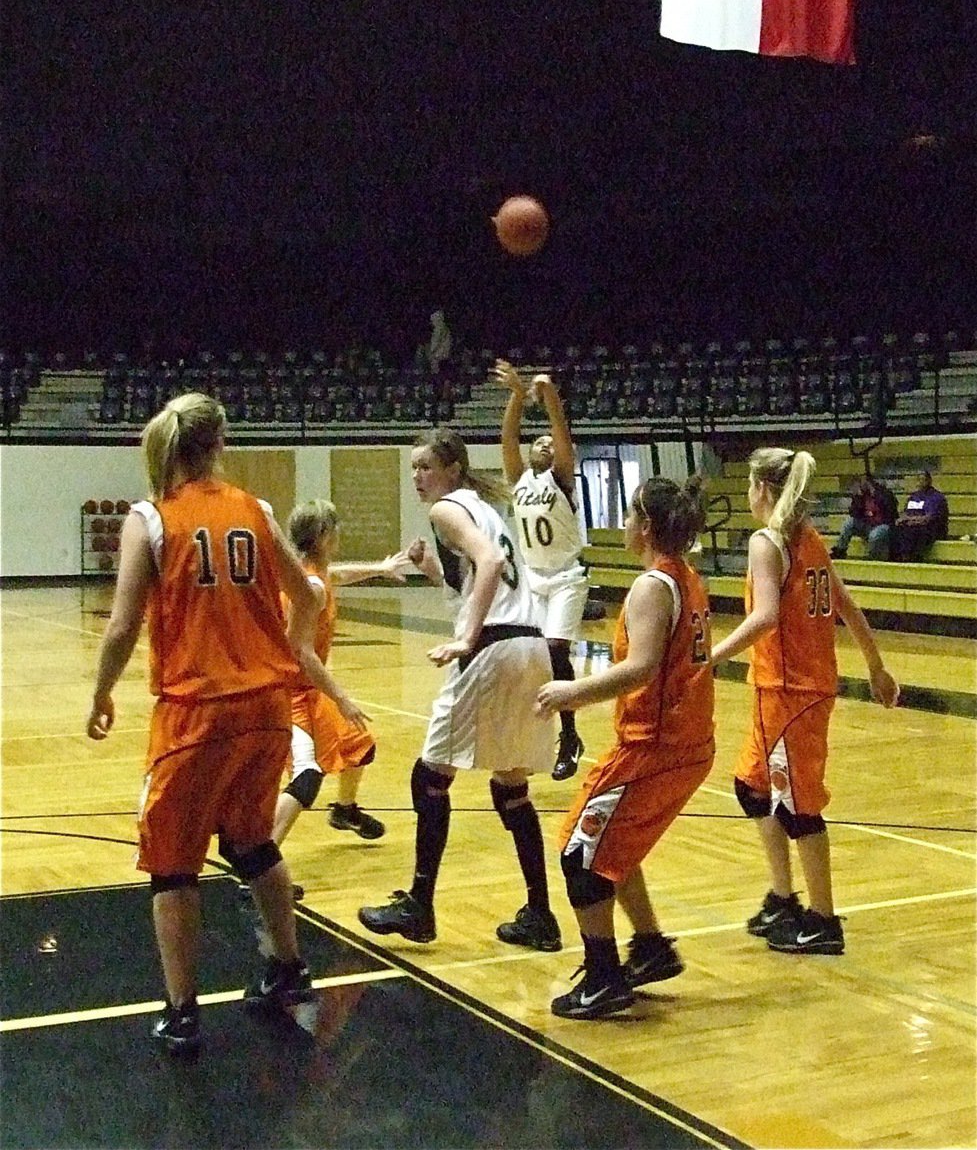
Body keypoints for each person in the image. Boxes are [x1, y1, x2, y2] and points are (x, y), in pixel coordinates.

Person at [85, 392, 367, 1055]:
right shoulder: (257, 510)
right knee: (252, 844)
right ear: (220, 444)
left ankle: (182, 1013)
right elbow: (310, 594)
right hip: (266, 708)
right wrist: (292, 654)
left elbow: (124, 623)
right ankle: (288, 968)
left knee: (172, 869)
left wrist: (100, 693)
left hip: (196, 712)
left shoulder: (152, 517)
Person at [357, 428, 562, 952]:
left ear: (451, 469)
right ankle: (540, 913)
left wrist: (466, 638)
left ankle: (420, 906)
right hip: (530, 646)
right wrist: (431, 567)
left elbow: (490, 565)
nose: (417, 478)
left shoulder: (449, 509)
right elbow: (477, 579)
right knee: (510, 786)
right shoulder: (484, 509)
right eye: (413, 468)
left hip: (492, 649)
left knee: (429, 775)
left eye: (425, 466)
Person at [536, 476, 715, 1019]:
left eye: (630, 513)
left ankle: (604, 977)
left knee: (581, 857)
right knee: (613, 847)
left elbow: (640, 668)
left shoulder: (653, 587)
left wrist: (571, 694)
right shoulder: (685, 579)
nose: (623, 524)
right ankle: (651, 948)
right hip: (682, 741)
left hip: (655, 747)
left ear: (647, 526)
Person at [711, 448, 899, 957]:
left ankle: (823, 919)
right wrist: (876, 667)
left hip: (793, 692)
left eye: (751, 487)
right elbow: (847, 605)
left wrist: (711, 656)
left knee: (799, 808)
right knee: (750, 788)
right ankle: (783, 896)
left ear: (763, 491)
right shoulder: (809, 540)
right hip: (777, 689)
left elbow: (766, 616)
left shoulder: (768, 542)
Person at [271, 499, 412, 864]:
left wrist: (381, 568)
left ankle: (345, 810)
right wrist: (343, 698)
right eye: (334, 528)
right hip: (286, 695)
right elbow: (303, 653)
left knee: (359, 745)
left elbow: (340, 575)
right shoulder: (312, 587)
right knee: (306, 778)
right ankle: (261, 864)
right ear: (322, 536)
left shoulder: (310, 574)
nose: (338, 534)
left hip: (307, 690)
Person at [493, 359, 589, 781]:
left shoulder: (562, 478)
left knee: (554, 652)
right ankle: (533, 739)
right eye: (540, 442)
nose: (546, 444)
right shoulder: (519, 480)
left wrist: (548, 397)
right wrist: (517, 397)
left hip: (566, 574)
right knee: (529, 659)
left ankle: (569, 736)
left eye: (551, 442)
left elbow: (562, 433)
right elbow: (508, 440)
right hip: (532, 577)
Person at [830, 473, 897, 560]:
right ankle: (841, 550)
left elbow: (891, 512)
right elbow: (853, 513)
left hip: (883, 525)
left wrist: (875, 495)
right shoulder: (861, 496)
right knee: (849, 523)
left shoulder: (885, 493)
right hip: (867, 524)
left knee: (875, 535)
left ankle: (873, 557)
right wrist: (858, 498)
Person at [891, 470, 949, 561]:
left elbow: (929, 517)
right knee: (895, 529)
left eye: (923, 479)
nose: (921, 482)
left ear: (929, 481)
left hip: (931, 528)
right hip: (912, 525)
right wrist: (902, 519)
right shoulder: (913, 496)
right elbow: (905, 512)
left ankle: (909, 558)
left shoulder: (936, 497)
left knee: (912, 531)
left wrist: (912, 520)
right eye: (919, 479)